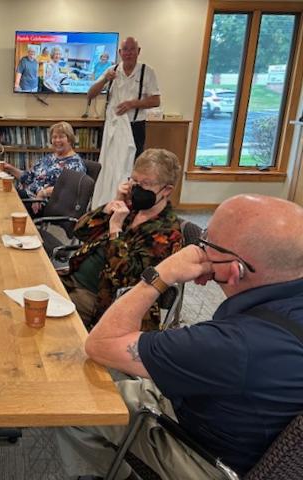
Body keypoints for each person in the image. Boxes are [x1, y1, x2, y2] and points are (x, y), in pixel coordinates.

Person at [57, 194, 303, 480]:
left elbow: (100, 344)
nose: (199, 249)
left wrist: (162, 273)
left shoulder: (229, 345)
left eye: (208, 244)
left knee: (77, 407)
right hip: (250, 430)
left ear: (234, 271)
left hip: (208, 458)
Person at [62, 148, 182, 330]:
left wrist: (115, 230)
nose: (137, 188)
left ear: (166, 190)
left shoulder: (167, 233)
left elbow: (129, 281)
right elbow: (79, 232)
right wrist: (109, 207)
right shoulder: (131, 207)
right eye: (134, 180)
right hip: (72, 278)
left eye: (146, 183)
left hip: (103, 302)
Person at [87, 37, 160, 159]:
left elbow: (156, 100)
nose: (129, 53)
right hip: (113, 127)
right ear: (120, 52)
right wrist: (105, 79)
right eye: (125, 49)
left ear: (139, 51)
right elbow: (90, 94)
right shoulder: (111, 70)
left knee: (133, 163)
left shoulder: (147, 72)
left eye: (132, 49)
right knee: (110, 163)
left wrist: (133, 104)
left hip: (135, 127)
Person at [1, 121, 85, 215]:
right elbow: (28, 177)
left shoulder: (76, 164)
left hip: (46, 204)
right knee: (4, 195)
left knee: (6, 204)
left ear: (69, 139)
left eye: (61, 137)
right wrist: (9, 168)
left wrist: (42, 194)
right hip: (30, 197)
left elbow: (69, 190)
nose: (57, 140)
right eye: (54, 137)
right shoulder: (49, 158)